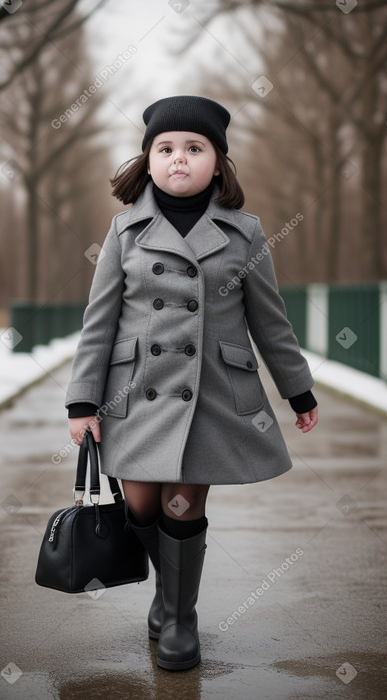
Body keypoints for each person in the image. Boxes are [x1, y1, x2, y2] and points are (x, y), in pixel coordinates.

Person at [65, 95, 318, 672]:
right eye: (166, 148)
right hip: (134, 392)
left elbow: (270, 321)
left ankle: (179, 618)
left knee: (183, 501)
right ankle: (167, 591)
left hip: (208, 394)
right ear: (148, 161)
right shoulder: (124, 231)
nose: (180, 159)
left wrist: (297, 390)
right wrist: (82, 399)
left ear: (219, 163)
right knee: (141, 505)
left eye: (194, 148)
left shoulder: (244, 233)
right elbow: (98, 322)